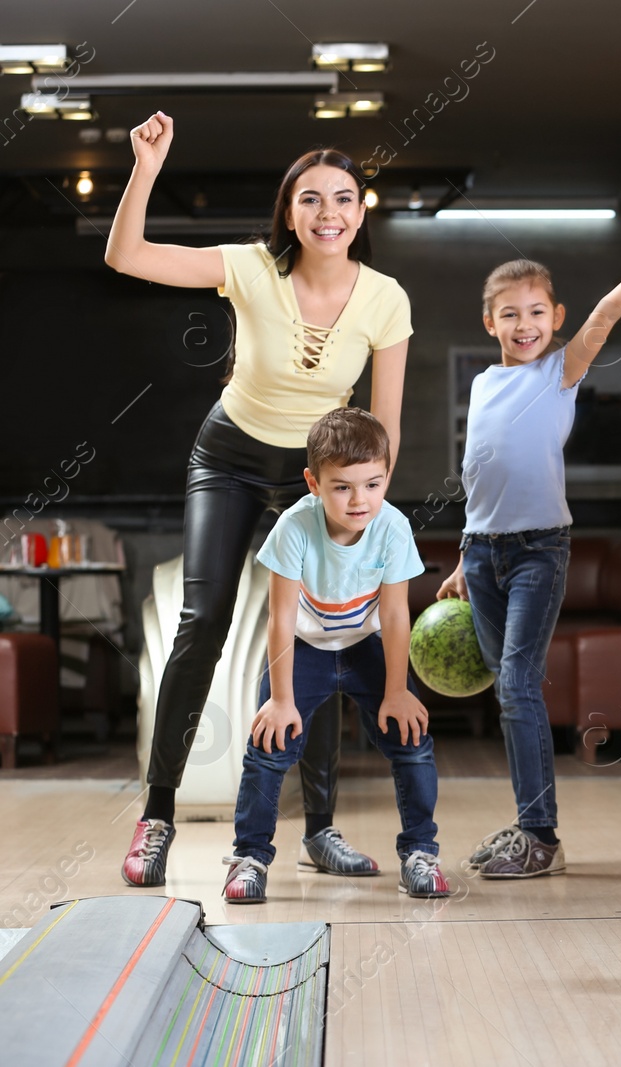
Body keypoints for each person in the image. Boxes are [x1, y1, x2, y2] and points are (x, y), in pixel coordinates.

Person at [106, 112, 412, 886]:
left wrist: (360, 513)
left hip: (317, 476)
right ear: (289, 212)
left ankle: (320, 829)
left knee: (321, 637)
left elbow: (384, 427)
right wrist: (146, 167)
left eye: (343, 198)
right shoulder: (249, 267)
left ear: (360, 211)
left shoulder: (384, 299)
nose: (328, 213)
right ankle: (157, 816)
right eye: (310, 199)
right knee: (203, 621)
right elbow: (126, 255)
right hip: (230, 458)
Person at [435, 213, 621, 878]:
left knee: (520, 684)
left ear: (556, 316)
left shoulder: (561, 369)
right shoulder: (483, 383)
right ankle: (531, 821)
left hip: (538, 552)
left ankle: (541, 835)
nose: (523, 324)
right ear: (489, 322)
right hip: (484, 550)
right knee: (508, 688)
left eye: (535, 311)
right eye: (508, 314)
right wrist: (467, 560)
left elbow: (611, 309)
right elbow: (480, 475)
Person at [222, 407, 448, 903]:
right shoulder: (294, 527)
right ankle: (250, 857)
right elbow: (279, 617)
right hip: (304, 648)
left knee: (412, 738)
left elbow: (392, 615)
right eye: (342, 486)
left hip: (362, 644)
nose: (359, 500)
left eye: (372, 484)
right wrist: (281, 699)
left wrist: (396, 691)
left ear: (387, 476)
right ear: (313, 482)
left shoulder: (392, 527)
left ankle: (419, 853)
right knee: (269, 746)